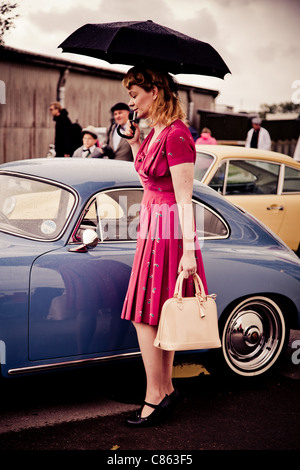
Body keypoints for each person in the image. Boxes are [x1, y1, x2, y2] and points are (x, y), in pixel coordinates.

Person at [120, 67, 208, 427]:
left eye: (135, 94)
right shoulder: (155, 131)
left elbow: (185, 199)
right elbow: (147, 180)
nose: (131, 102)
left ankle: (154, 395)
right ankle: (165, 389)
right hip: (152, 228)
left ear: (155, 91)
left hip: (171, 232)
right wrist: (135, 142)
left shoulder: (176, 135)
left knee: (148, 314)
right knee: (157, 313)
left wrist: (188, 251)